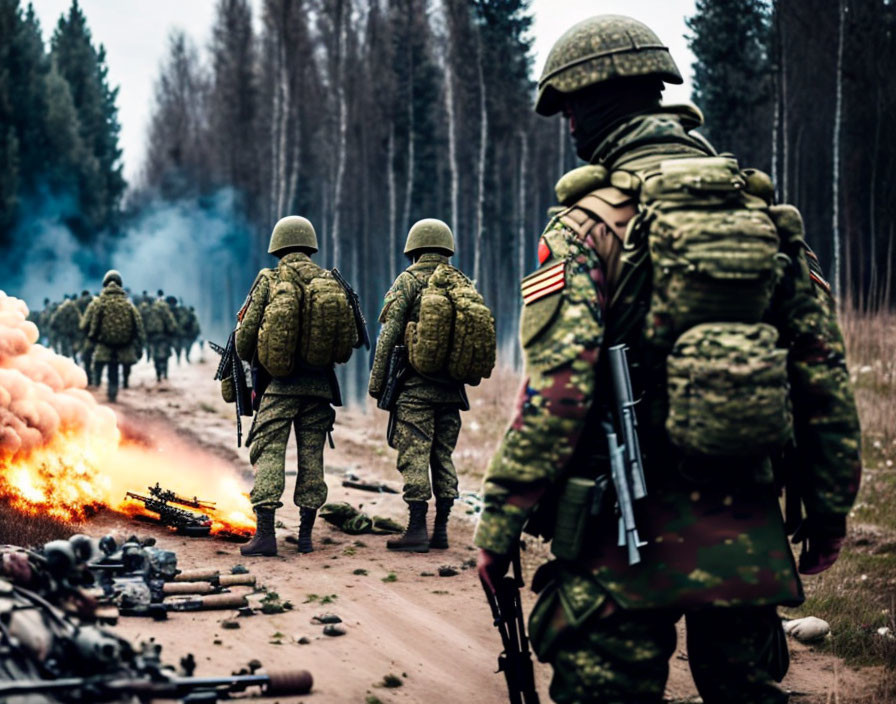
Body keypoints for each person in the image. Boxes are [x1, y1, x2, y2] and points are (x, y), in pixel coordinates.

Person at [474, 15, 862, 704]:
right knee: (744, 690)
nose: (569, 130)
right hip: (742, 521)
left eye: (568, 113)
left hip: (618, 531)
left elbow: (558, 396)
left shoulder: (585, 225)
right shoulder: (759, 215)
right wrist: (827, 512)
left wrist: (500, 523)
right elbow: (823, 379)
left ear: (589, 105)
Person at [235, 216, 346, 557]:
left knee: (268, 453)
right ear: (310, 245)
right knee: (312, 458)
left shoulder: (269, 280)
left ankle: (266, 535)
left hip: (279, 388)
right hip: (319, 388)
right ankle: (306, 537)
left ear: (277, 246)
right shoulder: (330, 281)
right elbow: (350, 340)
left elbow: (243, 343)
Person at [369, 219, 475, 552]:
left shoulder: (409, 281)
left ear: (413, 249)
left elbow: (389, 334)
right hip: (452, 390)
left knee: (414, 455)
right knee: (443, 456)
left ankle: (416, 529)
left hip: (414, 390)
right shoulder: (462, 283)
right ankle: (440, 530)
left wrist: (377, 383)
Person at [80, 270, 145, 402]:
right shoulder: (128, 304)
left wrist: (92, 337)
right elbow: (138, 326)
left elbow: (90, 324)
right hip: (124, 345)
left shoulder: (99, 303)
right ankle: (118, 387)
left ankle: (97, 384)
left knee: (100, 365)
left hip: (105, 344)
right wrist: (139, 344)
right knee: (118, 367)